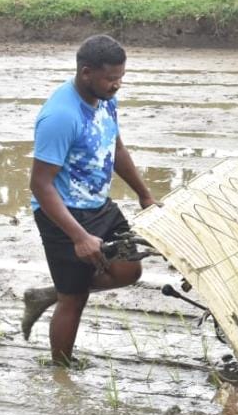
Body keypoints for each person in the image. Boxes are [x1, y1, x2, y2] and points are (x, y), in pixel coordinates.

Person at [21, 34, 156, 365]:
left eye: (121, 78)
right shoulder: (60, 116)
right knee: (75, 299)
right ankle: (62, 369)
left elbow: (117, 148)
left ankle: (51, 292)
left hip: (100, 206)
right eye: (111, 79)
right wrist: (78, 237)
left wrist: (145, 195)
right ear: (86, 72)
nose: (117, 85)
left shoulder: (106, 100)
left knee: (129, 269)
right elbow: (40, 184)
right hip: (64, 215)